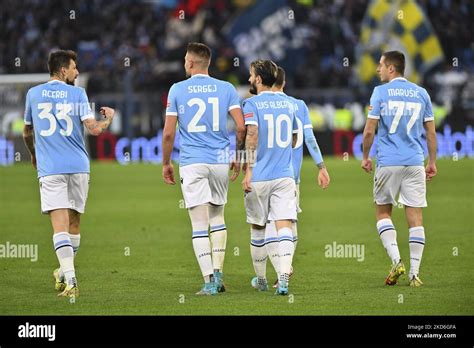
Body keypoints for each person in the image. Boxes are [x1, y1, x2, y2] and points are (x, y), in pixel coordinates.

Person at [23, 49, 115, 298]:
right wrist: (109, 120)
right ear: (63, 70)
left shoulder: (33, 94)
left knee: (60, 226)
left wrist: (33, 153)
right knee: (73, 223)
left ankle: (68, 278)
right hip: (79, 167)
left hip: (51, 168)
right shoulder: (77, 94)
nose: (77, 72)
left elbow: (26, 133)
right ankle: (68, 277)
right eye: (74, 67)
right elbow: (94, 130)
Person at [162, 42, 246, 295]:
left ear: (190, 63)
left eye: (185, 60)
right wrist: (239, 156)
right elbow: (241, 127)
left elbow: (168, 134)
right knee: (218, 217)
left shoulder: (177, 89)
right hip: (220, 160)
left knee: (199, 224)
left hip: (193, 162)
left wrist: (166, 163)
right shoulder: (226, 88)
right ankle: (218, 273)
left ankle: (209, 281)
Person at [361, 50, 437, 287]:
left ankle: (396, 261)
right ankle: (415, 274)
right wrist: (432, 162)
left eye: (380, 65)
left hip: (389, 162)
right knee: (416, 219)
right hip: (414, 161)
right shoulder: (421, 93)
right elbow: (431, 132)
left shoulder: (380, 92)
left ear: (391, 68)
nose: (377, 69)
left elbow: (369, 130)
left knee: (383, 213)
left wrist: (365, 156)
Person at [251, 66, 330, 289]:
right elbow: (310, 139)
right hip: (290, 175)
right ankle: (286, 268)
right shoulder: (297, 105)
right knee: (289, 223)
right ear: (284, 83)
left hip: (264, 173)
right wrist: (321, 166)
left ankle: (279, 272)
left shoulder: (259, 104)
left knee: (267, 225)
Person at [241, 59, 302, 295]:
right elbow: (296, 139)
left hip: (260, 176)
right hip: (285, 176)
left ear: (258, 79)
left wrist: (248, 170)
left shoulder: (251, 104)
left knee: (258, 226)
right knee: (284, 225)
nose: (248, 79)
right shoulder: (289, 103)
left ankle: (262, 279)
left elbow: (252, 135)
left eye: (250, 75)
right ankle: (284, 277)